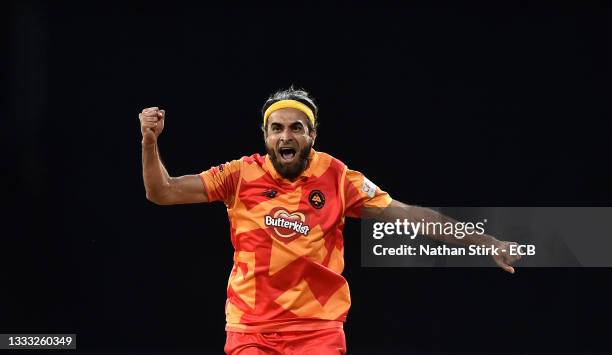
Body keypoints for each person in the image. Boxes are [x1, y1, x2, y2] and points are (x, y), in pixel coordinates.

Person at [139, 87, 520, 354]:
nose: (286, 136)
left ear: (312, 135)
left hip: (316, 330)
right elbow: (163, 191)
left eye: (296, 128)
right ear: (266, 136)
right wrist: (150, 143)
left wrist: (485, 243)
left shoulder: (336, 177)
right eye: (277, 128)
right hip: (251, 330)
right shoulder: (239, 175)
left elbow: (407, 215)